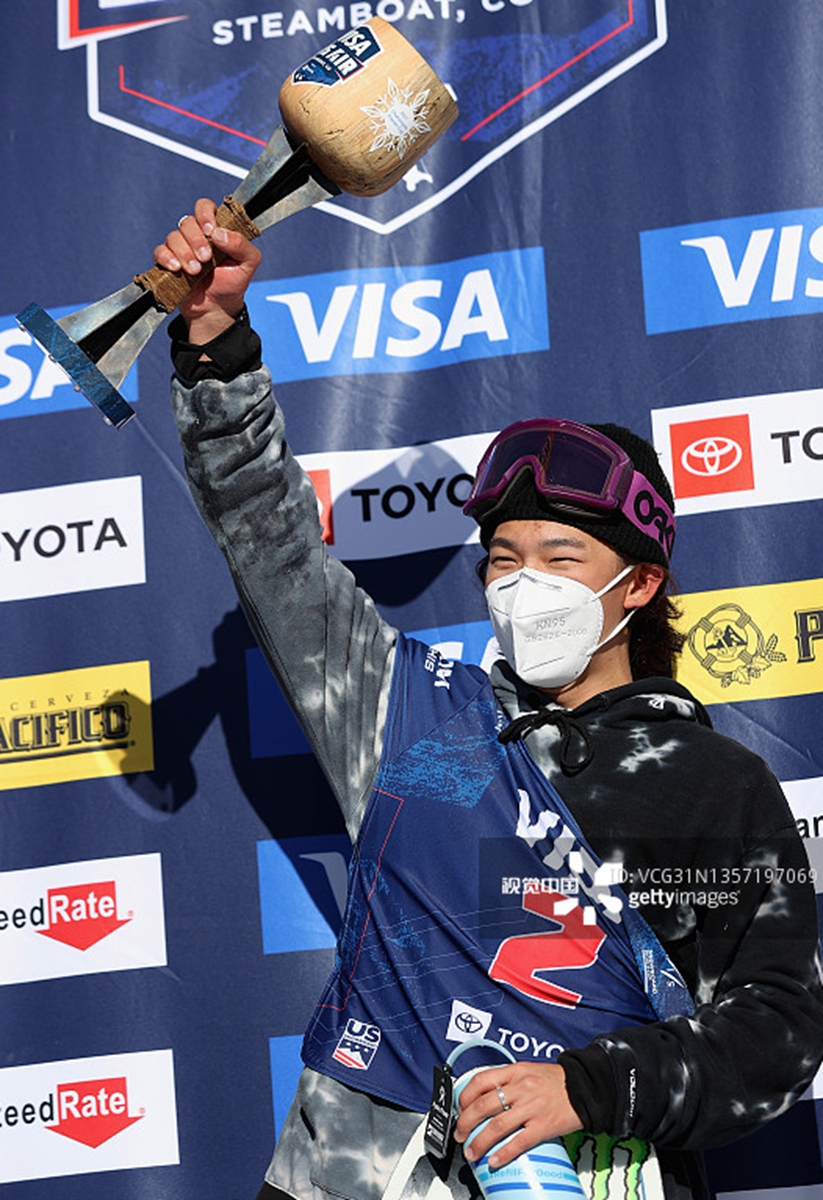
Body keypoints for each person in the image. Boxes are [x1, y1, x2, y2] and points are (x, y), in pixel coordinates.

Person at [156, 201, 823, 1200]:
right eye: (503, 560)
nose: (524, 583)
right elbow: (271, 538)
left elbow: (773, 1032)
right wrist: (215, 344)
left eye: (561, 557)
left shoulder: (712, 786)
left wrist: (586, 1090)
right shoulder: (405, 709)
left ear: (638, 585)